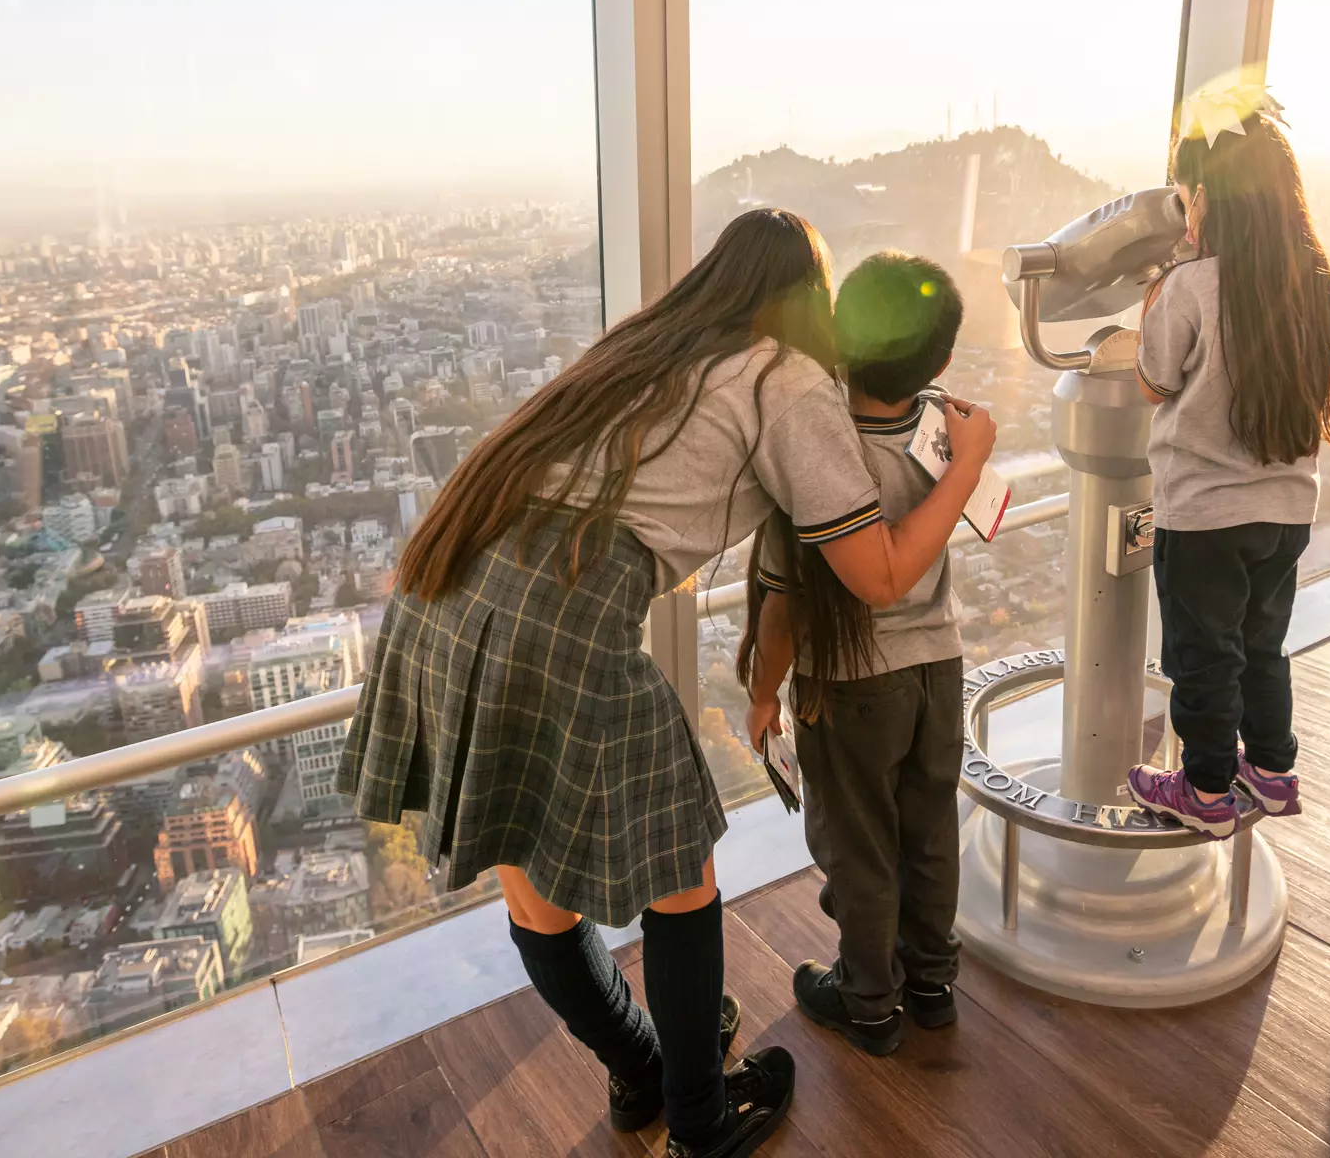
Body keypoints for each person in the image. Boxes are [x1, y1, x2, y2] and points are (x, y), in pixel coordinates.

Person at [337, 209, 996, 1158]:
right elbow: (881, 576)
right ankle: (701, 1118)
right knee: (683, 875)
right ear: (811, 300)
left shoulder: (652, 345)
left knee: (529, 891)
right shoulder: (785, 380)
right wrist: (966, 463)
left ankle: (640, 1072)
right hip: (561, 611)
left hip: (446, 589)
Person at [736, 252, 969, 1058]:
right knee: (931, 830)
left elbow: (783, 609)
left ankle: (870, 1002)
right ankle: (932, 981)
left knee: (861, 849)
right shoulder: (943, 431)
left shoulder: (817, 449)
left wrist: (764, 695)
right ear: (937, 360)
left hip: (852, 686)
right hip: (939, 666)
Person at [1124, 84, 1330, 839]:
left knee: (1203, 656)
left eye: (1189, 199)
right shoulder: (1312, 279)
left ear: (1207, 201)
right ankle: (1274, 770)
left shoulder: (1191, 287)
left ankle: (1208, 790)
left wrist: (1160, 288)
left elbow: (1155, 381)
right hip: (1286, 513)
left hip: (1205, 518)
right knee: (1260, 646)